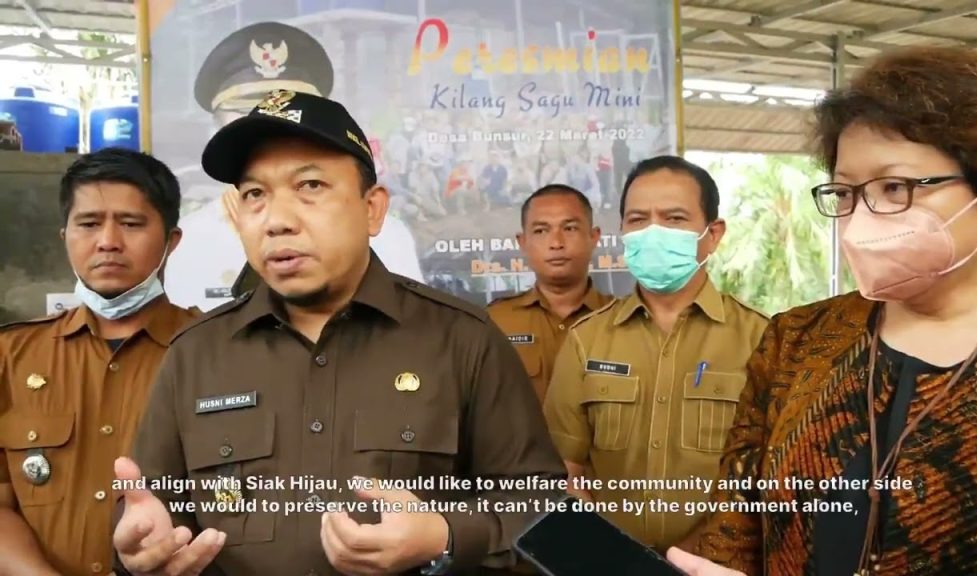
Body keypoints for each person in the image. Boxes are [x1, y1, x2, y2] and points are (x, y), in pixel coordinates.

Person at [111, 90, 566, 576]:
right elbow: (149, 515)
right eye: (254, 195)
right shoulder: (195, 355)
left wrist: (445, 535)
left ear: (372, 209)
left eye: (309, 186)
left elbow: (544, 514)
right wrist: (138, 549)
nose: (277, 221)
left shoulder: (463, 341)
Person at [669, 46, 977, 576]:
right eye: (846, 192)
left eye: (894, 188)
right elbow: (737, 517)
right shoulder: (798, 340)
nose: (860, 220)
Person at [543, 156, 769, 554]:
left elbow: (774, 481)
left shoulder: (762, 340)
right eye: (637, 220)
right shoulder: (586, 341)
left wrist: (697, 554)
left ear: (713, 234)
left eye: (674, 219)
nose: (653, 232)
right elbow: (565, 472)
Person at [0, 148, 197, 575]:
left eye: (131, 223)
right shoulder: (11, 356)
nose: (108, 240)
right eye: (88, 223)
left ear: (171, 240)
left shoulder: (214, 349)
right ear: (65, 236)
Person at [165, 21, 424, 311]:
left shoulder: (390, 237)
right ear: (216, 126)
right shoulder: (190, 239)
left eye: (311, 185)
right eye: (246, 110)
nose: (279, 223)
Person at [487, 184, 612, 402]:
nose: (556, 243)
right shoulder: (494, 323)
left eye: (570, 228)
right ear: (523, 242)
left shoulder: (622, 320)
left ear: (594, 237)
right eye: (541, 231)